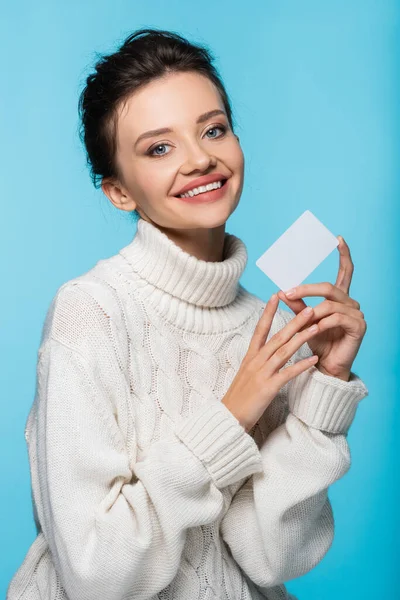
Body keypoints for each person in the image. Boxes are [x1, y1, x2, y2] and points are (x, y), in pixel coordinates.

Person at [7, 28, 369, 600]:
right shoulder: (91, 312)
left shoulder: (274, 330)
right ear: (118, 192)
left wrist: (326, 388)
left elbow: (272, 555)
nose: (201, 158)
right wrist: (230, 418)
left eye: (214, 129)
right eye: (159, 147)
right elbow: (94, 575)